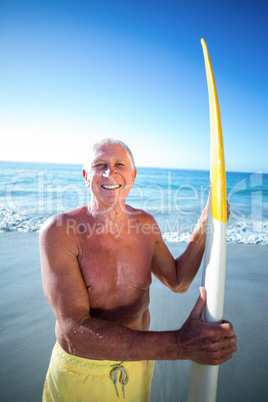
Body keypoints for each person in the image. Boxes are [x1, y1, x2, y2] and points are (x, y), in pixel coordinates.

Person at [40, 138, 237, 401]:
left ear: (132, 176)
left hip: (139, 364)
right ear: (86, 176)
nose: (110, 172)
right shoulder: (60, 231)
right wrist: (179, 345)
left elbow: (178, 281)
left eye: (119, 164)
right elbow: (75, 331)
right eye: (100, 165)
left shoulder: (145, 224)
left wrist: (204, 225)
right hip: (82, 370)